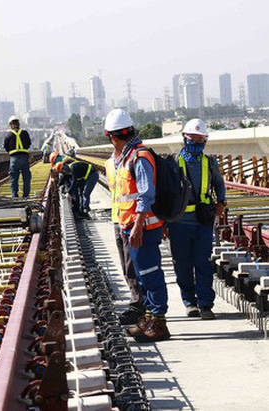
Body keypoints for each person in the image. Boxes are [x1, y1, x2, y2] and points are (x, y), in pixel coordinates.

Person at [105, 108, 170, 342]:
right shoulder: (128, 155)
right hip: (133, 226)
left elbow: (146, 194)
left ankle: (159, 323)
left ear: (111, 136)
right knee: (143, 276)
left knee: (150, 274)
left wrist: (138, 225)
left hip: (143, 228)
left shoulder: (139, 157)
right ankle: (149, 320)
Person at [167, 119, 226, 320]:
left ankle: (205, 304)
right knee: (182, 264)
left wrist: (221, 202)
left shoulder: (209, 162)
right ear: (185, 138)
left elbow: (219, 183)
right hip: (179, 222)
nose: (197, 141)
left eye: (201, 138)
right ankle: (189, 302)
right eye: (193, 137)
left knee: (203, 263)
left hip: (202, 221)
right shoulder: (174, 161)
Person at [105, 150, 144, 325]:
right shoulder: (109, 164)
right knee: (125, 266)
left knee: (132, 265)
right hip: (117, 219)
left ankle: (138, 304)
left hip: (132, 221)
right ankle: (137, 301)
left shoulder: (132, 162)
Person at [3, 116, 32, 197]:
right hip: (24, 158)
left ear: (11, 125)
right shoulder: (24, 133)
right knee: (26, 178)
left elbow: (6, 147)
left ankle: (14, 196)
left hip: (14, 159)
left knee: (14, 179)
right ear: (18, 124)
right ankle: (25, 195)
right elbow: (29, 144)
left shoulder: (8, 135)